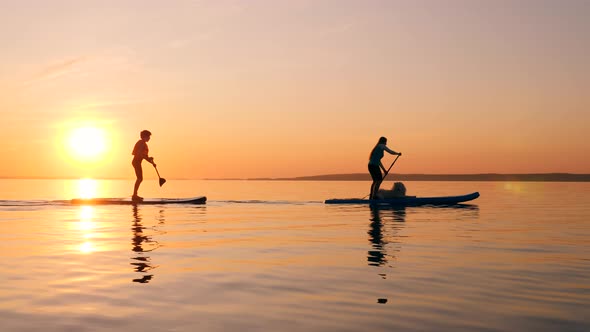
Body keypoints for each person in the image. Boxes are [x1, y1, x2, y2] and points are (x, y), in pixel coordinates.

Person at [131, 130, 156, 201]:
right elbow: (141, 154)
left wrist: (151, 162)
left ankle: (135, 195)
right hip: (136, 162)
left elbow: (144, 156)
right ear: (144, 137)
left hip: (137, 162)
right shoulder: (141, 143)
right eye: (148, 137)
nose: (149, 138)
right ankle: (134, 196)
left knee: (140, 178)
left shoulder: (143, 144)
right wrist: (149, 160)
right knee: (139, 178)